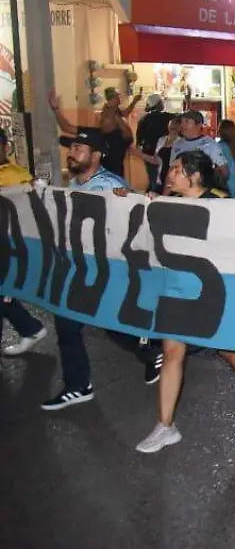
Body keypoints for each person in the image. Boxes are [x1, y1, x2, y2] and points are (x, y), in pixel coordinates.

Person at [135, 151, 235, 453]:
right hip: (178, 290)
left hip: (213, 290)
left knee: (227, 348)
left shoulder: (220, 205)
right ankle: (165, 425)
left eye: (175, 169)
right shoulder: (167, 203)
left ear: (194, 176)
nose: (168, 174)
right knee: (172, 351)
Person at [43, 127, 161, 410]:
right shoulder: (76, 185)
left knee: (110, 323)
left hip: (107, 270)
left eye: (78, 149)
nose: (71, 154)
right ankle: (78, 384)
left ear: (96, 156)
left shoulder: (108, 186)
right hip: (81, 268)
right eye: (70, 149)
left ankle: (149, 350)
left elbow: (135, 223)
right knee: (68, 322)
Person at [0, 129, 48, 357]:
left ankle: (32, 328)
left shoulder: (17, 176)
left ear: (5, 147)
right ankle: (31, 328)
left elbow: (32, 211)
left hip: (7, 246)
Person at [48, 88, 138, 180]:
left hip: (113, 182)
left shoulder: (119, 137)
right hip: (95, 180)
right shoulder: (94, 134)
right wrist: (56, 109)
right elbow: (66, 127)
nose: (102, 118)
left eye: (106, 115)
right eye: (103, 114)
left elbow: (130, 141)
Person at [169, 110, 229, 187]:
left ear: (199, 124)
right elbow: (171, 170)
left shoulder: (210, 145)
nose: (183, 125)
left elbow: (224, 171)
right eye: (182, 122)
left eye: (187, 122)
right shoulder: (177, 144)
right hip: (180, 192)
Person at [134, 93, 174, 191]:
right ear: (159, 103)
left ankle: (151, 195)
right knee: (162, 180)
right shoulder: (167, 118)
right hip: (163, 154)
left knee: (153, 179)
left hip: (147, 154)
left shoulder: (143, 120)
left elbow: (138, 142)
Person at [216, 119, 235, 198]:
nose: (217, 129)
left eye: (219, 127)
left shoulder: (218, 146)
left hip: (224, 186)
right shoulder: (234, 145)